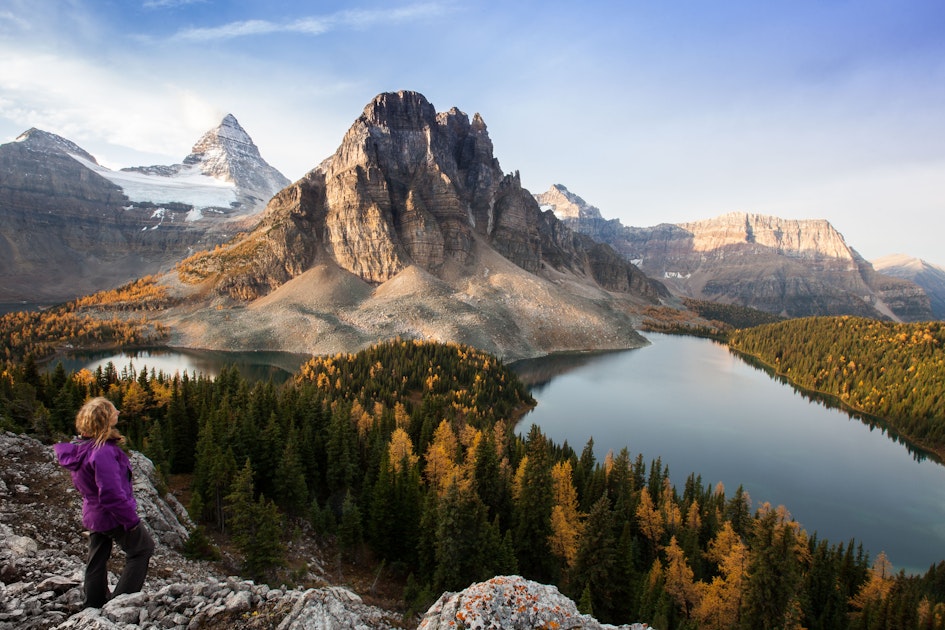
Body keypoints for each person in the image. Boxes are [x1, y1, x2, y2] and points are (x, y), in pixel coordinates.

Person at [54, 397, 155, 608]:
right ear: (104, 420)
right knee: (142, 548)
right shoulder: (103, 452)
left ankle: (94, 603)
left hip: (93, 512)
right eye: (113, 410)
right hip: (111, 514)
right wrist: (131, 521)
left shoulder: (81, 448)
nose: (118, 411)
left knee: (97, 558)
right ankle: (120, 604)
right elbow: (110, 493)